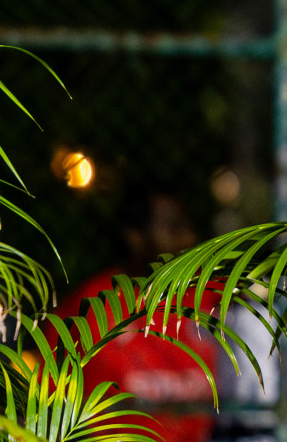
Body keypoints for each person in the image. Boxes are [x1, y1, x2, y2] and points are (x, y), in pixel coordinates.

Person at [52, 186, 220, 442]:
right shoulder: (95, 305)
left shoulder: (206, 296)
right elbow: (50, 396)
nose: (188, 238)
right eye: (173, 228)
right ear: (135, 236)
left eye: (188, 227)